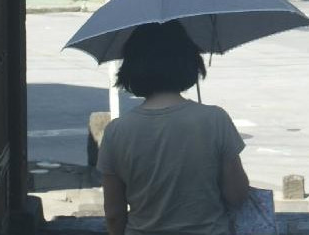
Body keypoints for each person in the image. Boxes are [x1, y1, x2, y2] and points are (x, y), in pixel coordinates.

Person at [97, 21, 249, 235]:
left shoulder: (116, 132)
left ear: (132, 67)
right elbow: (237, 194)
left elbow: (114, 213)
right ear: (189, 62)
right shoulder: (215, 119)